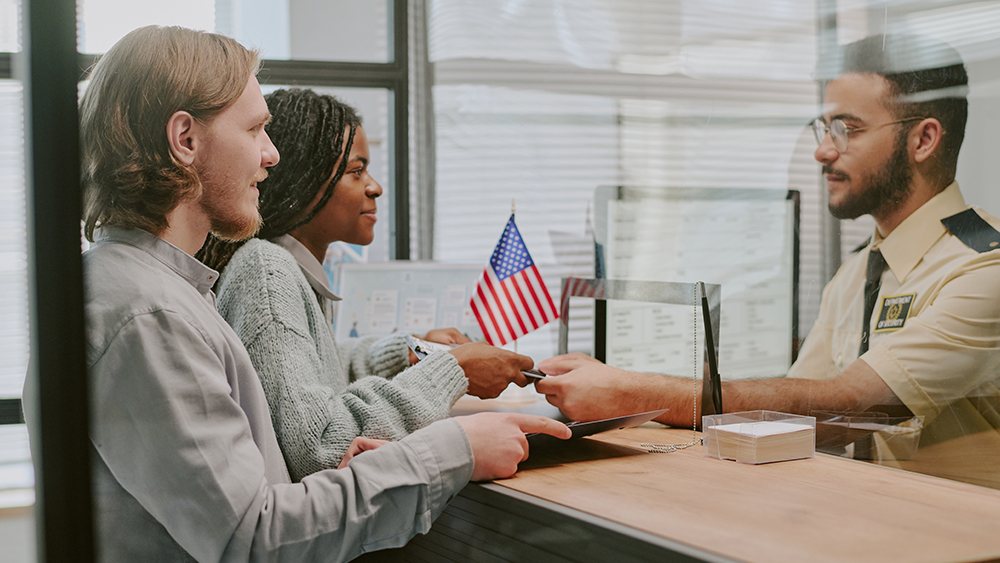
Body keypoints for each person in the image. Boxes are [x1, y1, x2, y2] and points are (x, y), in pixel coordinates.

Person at [72, 25, 569, 562]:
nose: (271, 155)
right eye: (256, 130)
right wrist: (452, 450)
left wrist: (366, 463)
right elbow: (255, 538)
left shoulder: (163, 292)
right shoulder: (149, 315)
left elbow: (249, 493)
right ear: (185, 139)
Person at [536, 34, 1000, 475]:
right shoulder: (857, 270)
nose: (823, 151)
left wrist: (633, 394)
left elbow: (850, 404)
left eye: (847, 129)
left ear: (923, 140)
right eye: (825, 128)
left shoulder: (984, 267)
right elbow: (794, 413)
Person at [198, 88, 535, 481]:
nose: (374, 187)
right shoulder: (267, 271)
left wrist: (408, 352)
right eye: (356, 172)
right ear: (304, 182)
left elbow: (314, 370)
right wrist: (450, 370)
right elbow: (321, 446)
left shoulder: (282, 265)